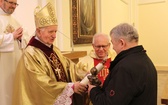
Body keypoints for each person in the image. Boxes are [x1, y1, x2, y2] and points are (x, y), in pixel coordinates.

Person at [12, 2, 88, 105]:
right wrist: (70, 87)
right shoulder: (31, 54)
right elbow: (40, 84)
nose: (54, 35)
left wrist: (84, 74)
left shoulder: (54, 49)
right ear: (39, 32)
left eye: (55, 31)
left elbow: (69, 68)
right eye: (50, 32)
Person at [88, 23, 157, 105]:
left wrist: (92, 90)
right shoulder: (145, 59)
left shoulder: (125, 67)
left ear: (121, 43)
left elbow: (108, 103)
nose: (113, 48)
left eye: (113, 43)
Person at [0, 0, 28, 105]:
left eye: (15, 4)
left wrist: (21, 38)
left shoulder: (16, 21)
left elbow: (25, 40)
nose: (13, 6)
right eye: (11, 2)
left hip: (16, 68)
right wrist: (11, 37)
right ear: (1, 1)